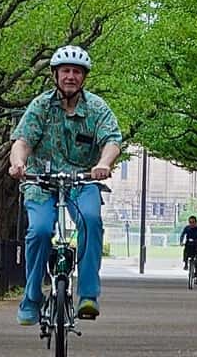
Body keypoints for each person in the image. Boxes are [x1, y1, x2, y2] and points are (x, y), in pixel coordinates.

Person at [8, 45, 122, 326]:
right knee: (39, 231)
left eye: (77, 72)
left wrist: (103, 163)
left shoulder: (96, 107)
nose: (71, 76)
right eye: (66, 71)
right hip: (41, 182)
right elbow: (22, 141)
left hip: (82, 181)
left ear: (84, 77)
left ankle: (88, 295)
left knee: (91, 221)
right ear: (55, 75)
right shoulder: (41, 106)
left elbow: (112, 141)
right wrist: (18, 163)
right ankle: (31, 298)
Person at [179, 215, 197, 282]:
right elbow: (182, 235)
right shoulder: (187, 228)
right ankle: (186, 263)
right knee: (186, 251)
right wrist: (181, 242)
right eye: (190, 222)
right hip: (189, 245)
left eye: (193, 222)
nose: (191, 224)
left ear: (196, 222)